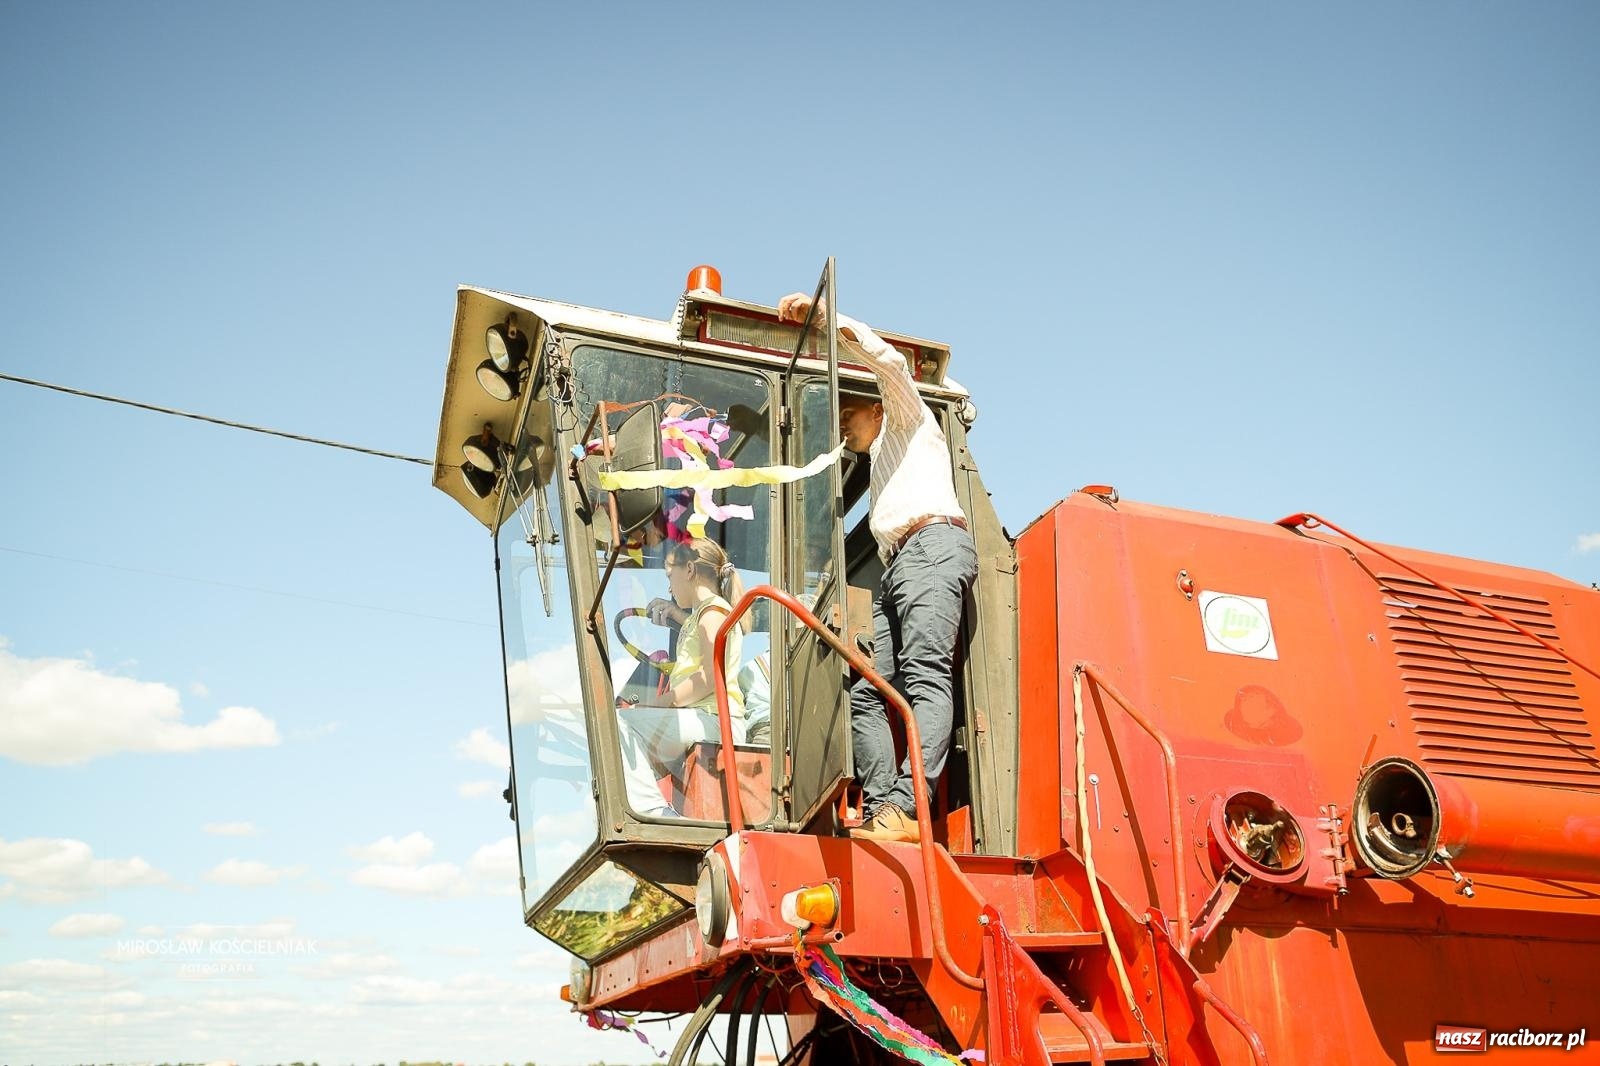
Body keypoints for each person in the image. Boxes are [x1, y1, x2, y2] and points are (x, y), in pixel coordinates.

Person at [777, 292, 978, 844]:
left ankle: (912, 806)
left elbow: (888, 363)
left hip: (932, 547)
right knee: (864, 686)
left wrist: (826, 320)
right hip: (900, 566)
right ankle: (886, 805)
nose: (843, 424)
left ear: (879, 410)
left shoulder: (908, 420)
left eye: (849, 413)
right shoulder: (878, 467)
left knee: (925, 674)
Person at [617, 537, 747, 818]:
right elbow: (698, 635)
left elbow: (709, 677)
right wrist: (677, 614)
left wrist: (656, 705)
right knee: (633, 752)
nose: (669, 587)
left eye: (669, 576)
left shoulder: (712, 612)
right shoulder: (706, 613)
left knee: (619, 723)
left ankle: (654, 812)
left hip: (715, 721)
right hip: (705, 719)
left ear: (689, 570)